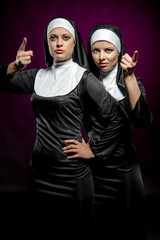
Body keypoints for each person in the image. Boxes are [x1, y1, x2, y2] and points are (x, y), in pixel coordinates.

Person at [0, 18, 127, 239]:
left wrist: (94, 149)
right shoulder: (37, 76)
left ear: (74, 42)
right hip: (39, 173)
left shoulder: (83, 78)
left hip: (72, 175)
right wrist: (17, 65)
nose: (59, 43)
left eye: (65, 38)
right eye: (53, 38)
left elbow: (117, 117)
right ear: (47, 43)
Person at [63, 23, 152, 240]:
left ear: (119, 51)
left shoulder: (132, 83)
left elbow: (142, 121)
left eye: (109, 50)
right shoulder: (84, 83)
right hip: (93, 172)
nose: (102, 57)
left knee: (128, 230)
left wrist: (129, 76)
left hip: (124, 171)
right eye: (96, 50)